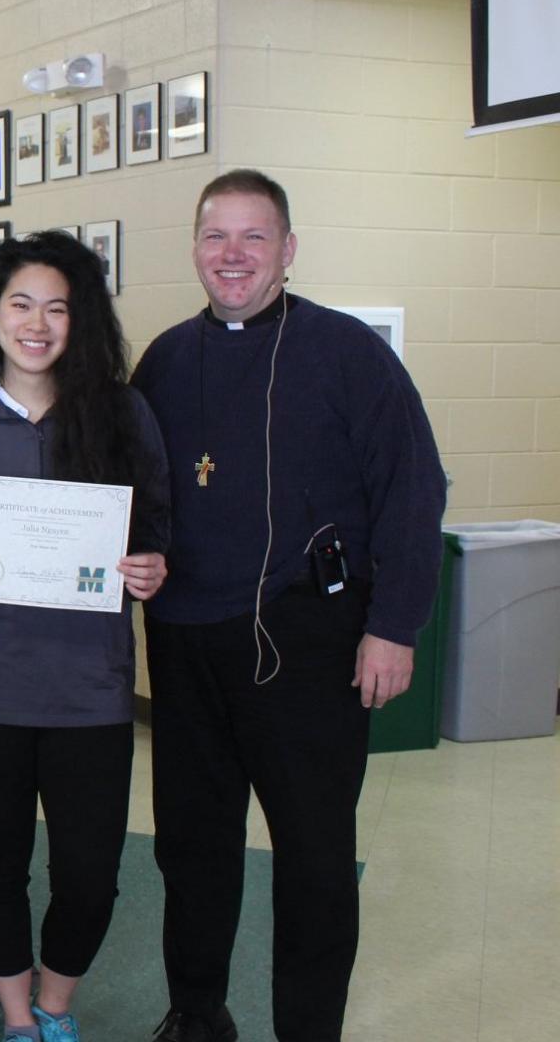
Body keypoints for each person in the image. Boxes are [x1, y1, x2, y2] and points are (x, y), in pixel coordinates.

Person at [131, 170, 445, 1042]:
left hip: (306, 642)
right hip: (188, 645)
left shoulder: (346, 354)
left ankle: (308, 1029)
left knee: (311, 859)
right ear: (194, 247)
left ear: (289, 250)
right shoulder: (163, 359)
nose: (231, 256)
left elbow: (412, 492)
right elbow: (139, 492)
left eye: (253, 237)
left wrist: (394, 625)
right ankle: (196, 1011)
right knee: (192, 849)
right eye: (214, 237)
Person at [0, 233, 171, 1042]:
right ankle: (19, 1018)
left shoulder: (122, 415)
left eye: (57, 308)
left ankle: (59, 1005)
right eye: (20, 304)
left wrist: (151, 566)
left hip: (89, 684)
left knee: (90, 873)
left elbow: (158, 525)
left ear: (80, 322)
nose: (37, 323)